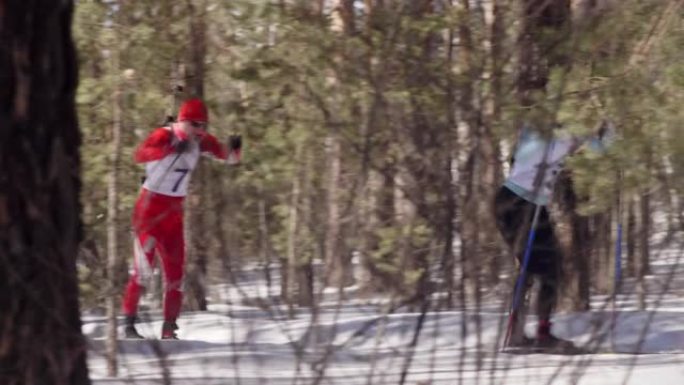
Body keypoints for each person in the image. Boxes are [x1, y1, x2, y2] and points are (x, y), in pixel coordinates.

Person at [122, 98, 241, 339]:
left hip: (174, 213)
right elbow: (140, 155)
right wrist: (170, 147)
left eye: (204, 126)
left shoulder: (200, 141)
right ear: (182, 121)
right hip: (149, 210)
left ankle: (169, 328)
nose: (200, 131)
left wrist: (235, 148)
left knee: (175, 274)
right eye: (195, 125)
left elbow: (229, 158)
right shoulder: (163, 135)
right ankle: (129, 324)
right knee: (143, 271)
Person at [495, 123, 607, 350]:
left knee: (546, 267)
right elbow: (543, 150)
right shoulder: (539, 131)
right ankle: (524, 332)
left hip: (532, 204)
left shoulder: (559, 131)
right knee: (539, 265)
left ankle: (536, 331)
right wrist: (588, 134)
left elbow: (597, 146)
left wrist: (607, 133)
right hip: (517, 204)